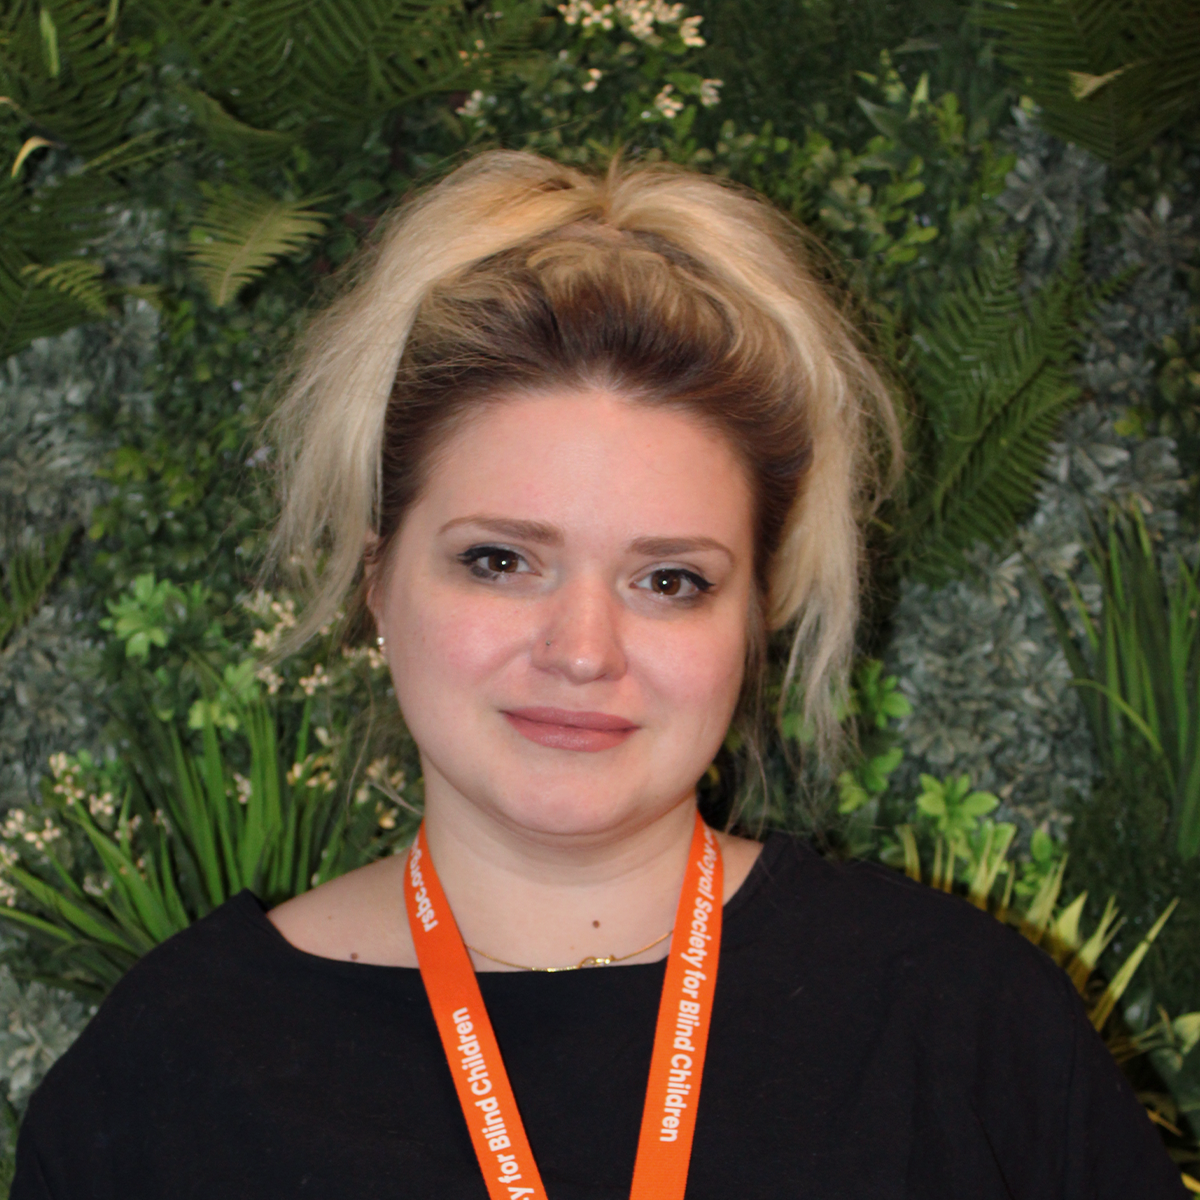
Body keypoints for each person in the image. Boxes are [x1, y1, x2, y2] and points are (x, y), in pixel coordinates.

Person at [11, 151, 1185, 1199]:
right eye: (500, 560)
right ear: (378, 581)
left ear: (756, 616)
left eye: (669, 580)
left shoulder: (960, 1022)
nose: (582, 650)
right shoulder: (175, 1070)